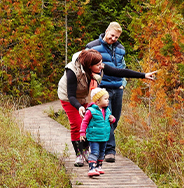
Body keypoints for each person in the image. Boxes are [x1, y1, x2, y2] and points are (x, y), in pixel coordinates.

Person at [57, 48, 156, 166]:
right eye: (98, 65)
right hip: (69, 98)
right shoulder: (72, 71)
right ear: (89, 66)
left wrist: (144, 75)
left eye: (100, 63)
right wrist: (79, 107)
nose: (101, 66)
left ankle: (86, 151)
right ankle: (79, 154)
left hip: (86, 96)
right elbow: (71, 95)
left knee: (90, 123)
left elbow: (119, 72)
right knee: (77, 125)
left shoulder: (99, 67)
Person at [86, 21, 129, 162]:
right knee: (107, 118)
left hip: (117, 88)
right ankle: (110, 151)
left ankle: (98, 140)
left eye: (116, 37)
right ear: (106, 31)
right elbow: (85, 67)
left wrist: (122, 83)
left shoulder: (120, 48)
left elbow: (122, 67)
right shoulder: (92, 47)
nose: (113, 39)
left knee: (114, 119)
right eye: (112, 36)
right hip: (102, 89)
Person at [80, 87, 116, 177]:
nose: (108, 101)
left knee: (102, 152)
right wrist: (82, 133)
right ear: (98, 101)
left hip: (104, 136)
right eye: (105, 99)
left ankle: (99, 166)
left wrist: (112, 119)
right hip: (94, 136)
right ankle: (91, 167)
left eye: (108, 99)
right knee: (94, 152)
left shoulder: (107, 110)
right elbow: (84, 122)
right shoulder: (91, 111)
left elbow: (109, 120)